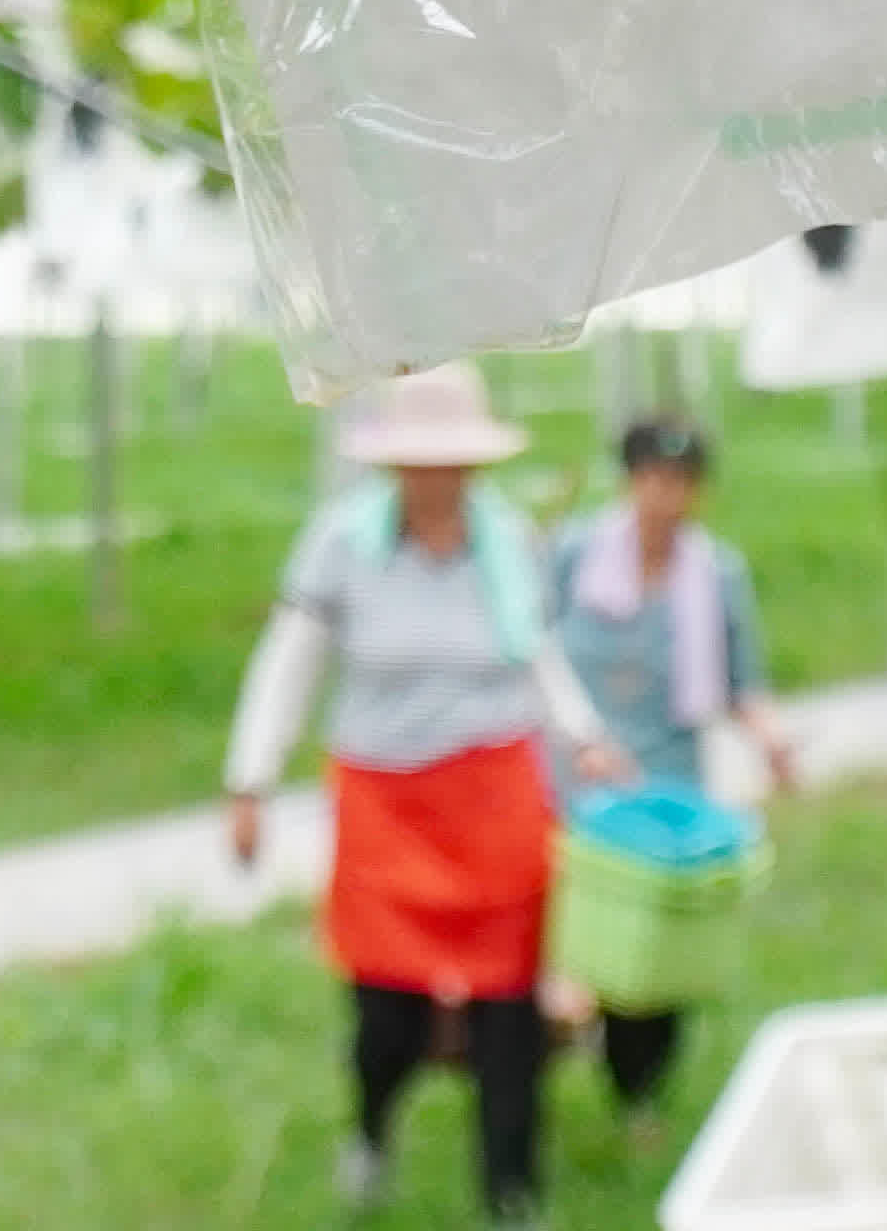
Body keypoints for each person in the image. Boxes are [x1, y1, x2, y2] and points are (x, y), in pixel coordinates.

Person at [227, 363, 632, 1220]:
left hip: (497, 801)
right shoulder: (342, 545)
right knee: (387, 1015)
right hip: (387, 806)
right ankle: (371, 1131)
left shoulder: (508, 541)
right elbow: (289, 663)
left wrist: (586, 738)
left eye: (452, 462)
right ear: (393, 465)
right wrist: (249, 782)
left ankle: (510, 1189)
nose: (437, 479)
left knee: (510, 1012)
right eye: (420, 461)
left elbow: (538, 653)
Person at [550, 413, 800, 1126]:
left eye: (681, 482)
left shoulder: (716, 573)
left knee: (654, 958)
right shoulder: (573, 554)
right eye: (652, 479)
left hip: (668, 792)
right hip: (578, 784)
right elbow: (532, 655)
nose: (665, 496)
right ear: (629, 481)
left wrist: (773, 742)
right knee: (570, 945)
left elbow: (740, 681)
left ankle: (640, 1098)